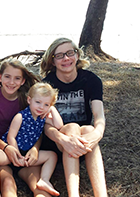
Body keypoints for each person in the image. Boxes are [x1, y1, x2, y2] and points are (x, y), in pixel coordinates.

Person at [39, 37, 107, 197]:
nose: (66, 58)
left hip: (83, 142)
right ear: (53, 61)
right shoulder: (47, 85)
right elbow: (46, 126)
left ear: (77, 55)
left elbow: (99, 115)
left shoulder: (92, 80)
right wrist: (63, 140)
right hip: (57, 143)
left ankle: (102, 194)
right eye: (60, 55)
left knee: (89, 128)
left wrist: (97, 134)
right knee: (71, 127)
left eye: (70, 53)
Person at [0, 59, 53, 197]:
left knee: (37, 185)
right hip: (3, 150)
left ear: (22, 81)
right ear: (0, 77)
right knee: (8, 184)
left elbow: (36, 129)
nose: (11, 82)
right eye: (7, 77)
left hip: (25, 153)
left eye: (17, 78)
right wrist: (7, 148)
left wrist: (35, 148)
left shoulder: (29, 99)